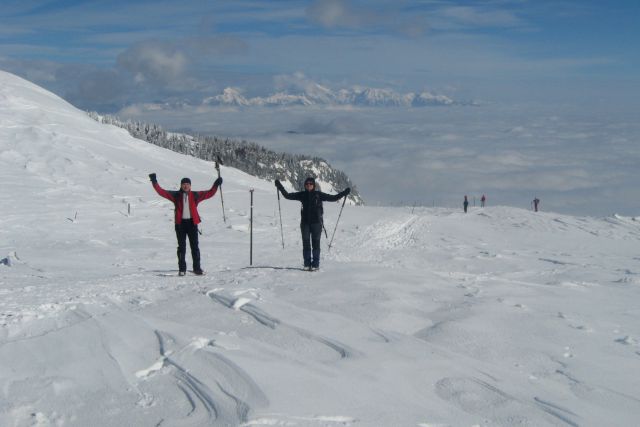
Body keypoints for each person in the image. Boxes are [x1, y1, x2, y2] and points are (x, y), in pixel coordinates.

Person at [149, 173, 222, 276]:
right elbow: (161, 192)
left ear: (190, 186)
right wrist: (154, 181)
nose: (186, 186)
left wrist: (216, 184)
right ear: (181, 185)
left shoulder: (196, 195)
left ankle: (197, 268)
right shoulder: (176, 195)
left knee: (195, 247)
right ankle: (182, 269)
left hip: (192, 223)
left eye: (187, 184)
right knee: (181, 247)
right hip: (180, 224)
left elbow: (209, 193)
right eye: (184, 184)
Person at [275, 177, 350, 271]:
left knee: (316, 245)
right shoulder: (302, 195)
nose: (309, 185)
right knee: (306, 244)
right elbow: (287, 196)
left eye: (310, 184)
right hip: (305, 224)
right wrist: (279, 186)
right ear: (305, 185)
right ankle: (307, 264)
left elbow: (334, 198)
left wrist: (344, 192)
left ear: (314, 185)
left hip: (316, 224)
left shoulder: (318, 195)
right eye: (307, 184)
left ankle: (315, 265)